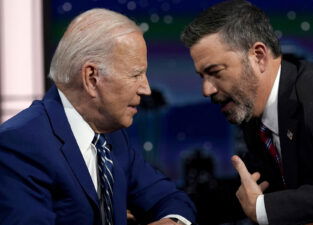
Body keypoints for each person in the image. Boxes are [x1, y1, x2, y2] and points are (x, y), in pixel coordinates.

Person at [180, 0, 313, 224]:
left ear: (259, 56)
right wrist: (170, 215)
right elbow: (246, 195)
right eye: (202, 77)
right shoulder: (254, 117)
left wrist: (264, 208)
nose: (206, 90)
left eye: (215, 72)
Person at [0, 8, 196, 225]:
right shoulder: (19, 144)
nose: (146, 89)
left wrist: (172, 222)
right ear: (92, 78)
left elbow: (170, 199)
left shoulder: (112, 137)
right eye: (136, 74)